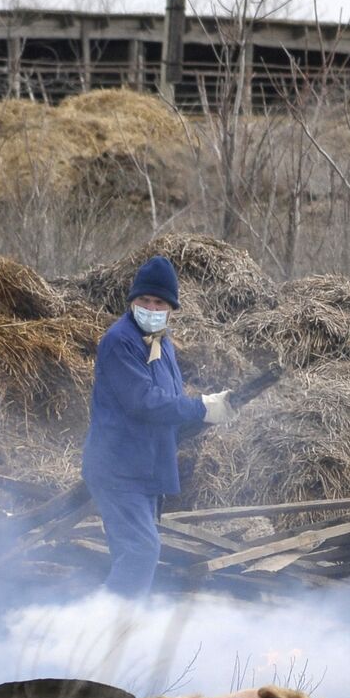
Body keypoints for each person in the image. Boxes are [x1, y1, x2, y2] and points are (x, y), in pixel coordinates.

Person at [81, 256, 234, 597]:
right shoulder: (120, 340)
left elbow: (167, 402)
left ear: (170, 309)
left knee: (136, 552)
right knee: (140, 552)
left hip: (145, 468)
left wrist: (205, 410)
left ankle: (120, 632)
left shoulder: (161, 343)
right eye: (144, 300)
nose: (150, 307)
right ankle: (101, 628)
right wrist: (200, 408)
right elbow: (143, 401)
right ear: (133, 301)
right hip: (119, 467)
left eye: (159, 302)